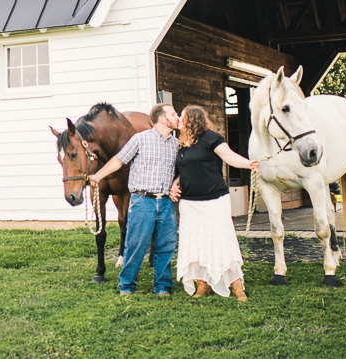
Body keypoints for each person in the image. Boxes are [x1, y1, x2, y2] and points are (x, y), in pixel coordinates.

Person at [169, 105, 259, 301]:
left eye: (182, 117)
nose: (178, 120)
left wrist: (248, 163)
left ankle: (236, 284)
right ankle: (203, 284)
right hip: (190, 203)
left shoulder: (211, 138)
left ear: (192, 119)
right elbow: (183, 171)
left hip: (215, 200)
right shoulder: (181, 144)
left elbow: (229, 157)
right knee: (196, 242)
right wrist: (174, 185)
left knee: (221, 240)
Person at [89, 103, 180, 297]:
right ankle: (127, 285)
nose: (177, 116)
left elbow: (180, 170)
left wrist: (176, 184)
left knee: (166, 245)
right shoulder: (140, 139)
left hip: (165, 202)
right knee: (136, 244)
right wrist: (98, 176)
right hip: (142, 201)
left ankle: (163, 286)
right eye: (173, 114)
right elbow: (119, 160)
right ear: (162, 119)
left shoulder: (175, 144)